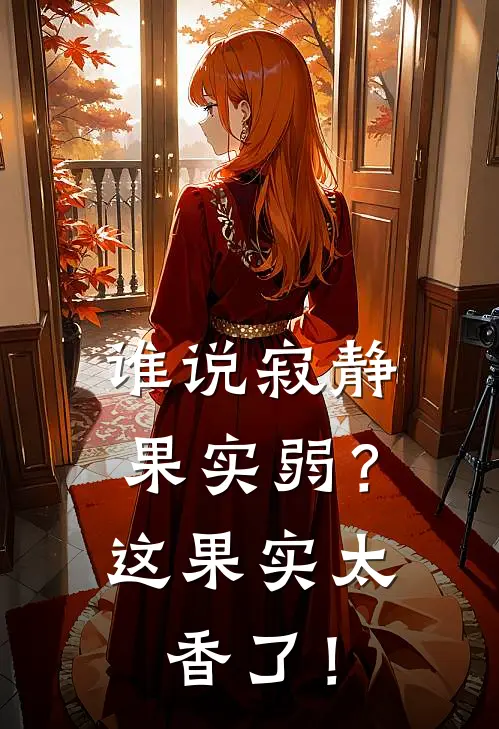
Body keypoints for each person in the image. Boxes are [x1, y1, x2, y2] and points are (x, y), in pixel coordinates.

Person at [104, 28, 410, 729]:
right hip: (292, 399)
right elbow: (329, 329)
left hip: (214, 402)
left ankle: (207, 666)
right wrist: (280, 343)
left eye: (213, 104)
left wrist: (171, 389)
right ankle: (289, 658)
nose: (207, 121)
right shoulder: (329, 208)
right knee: (287, 537)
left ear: (252, 109)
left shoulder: (199, 206)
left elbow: (174, 339)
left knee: (211, 538)